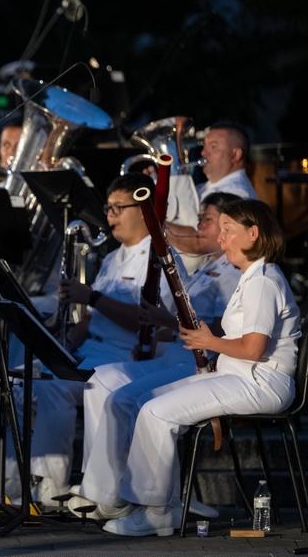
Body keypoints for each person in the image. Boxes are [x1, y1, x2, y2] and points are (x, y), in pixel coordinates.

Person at [103, 199, 300, 536]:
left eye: (228, 230)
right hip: (238, 375)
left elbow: (253, 349)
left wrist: (209, 343)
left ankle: (156, 512)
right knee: (142, 402)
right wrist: (211, 346)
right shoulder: (252, 276)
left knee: (155, 412)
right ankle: (164, 502)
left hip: (261, 383)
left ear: (253, 234)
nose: (220, 238)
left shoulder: (263, 280)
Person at [67, 193, 243, 521]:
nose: (198, 225)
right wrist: (161, 330)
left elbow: (222, 328)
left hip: (196, 364)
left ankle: (144, 501)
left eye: (206, 219)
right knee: (102, 379)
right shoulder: (207, 267)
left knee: (134, 398)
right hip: (171, 354)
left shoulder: (232, 271)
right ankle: (105, 492)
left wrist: (166, 322)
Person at [17, 173, 170, 506]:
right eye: (108, 207)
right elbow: (91, 319)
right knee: (26, 379)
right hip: (91, 351)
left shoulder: (157, 258)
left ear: (143, 211)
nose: (110, 215)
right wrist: (63, 344)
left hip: (122, 357)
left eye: (118, 207)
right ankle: (44, 483)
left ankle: (99, 490)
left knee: (86, 384)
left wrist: (92, 296)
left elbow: (147, 322)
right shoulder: (114, 258)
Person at [166, 123, 257, 254]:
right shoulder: (203, 187)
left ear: (235, 154)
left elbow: (202, 243)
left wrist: (152, 222)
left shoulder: (238, 194)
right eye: (204, 146)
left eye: (213, 147)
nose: (203, 152)